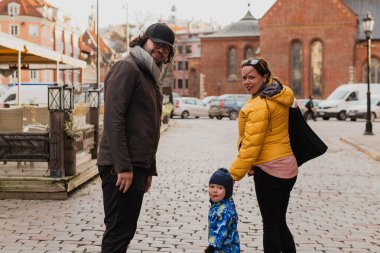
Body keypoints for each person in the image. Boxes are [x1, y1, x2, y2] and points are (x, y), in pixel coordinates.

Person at [96, 23, 175, 252]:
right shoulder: (127, 67)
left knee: (125, 230)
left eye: (166, 49)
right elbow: (114, 119)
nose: (161, 51)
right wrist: (123, 167)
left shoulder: (148, 72)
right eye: (157, 45)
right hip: (119, 165)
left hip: (136, 165)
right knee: (118, 231)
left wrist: (149, 168)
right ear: (144, 41)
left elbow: (147, 127)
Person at [229, 58, 298, 253]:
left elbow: (251, 146)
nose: (247, 82)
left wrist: (232, 176)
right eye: (243, 78)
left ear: (264, 76)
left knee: (270, 224)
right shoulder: (280, 94)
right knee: (279, 221)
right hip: (289, 168)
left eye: (252, 77)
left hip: (270, 171)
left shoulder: (257, 106)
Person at [205, 168, 240, 253]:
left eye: (220, 188)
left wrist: (211, 248)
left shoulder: (224, 212)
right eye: (212, 186)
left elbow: (220, 231)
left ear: (227, 191)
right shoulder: (219, 204)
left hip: (225, 249)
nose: (214, 190)